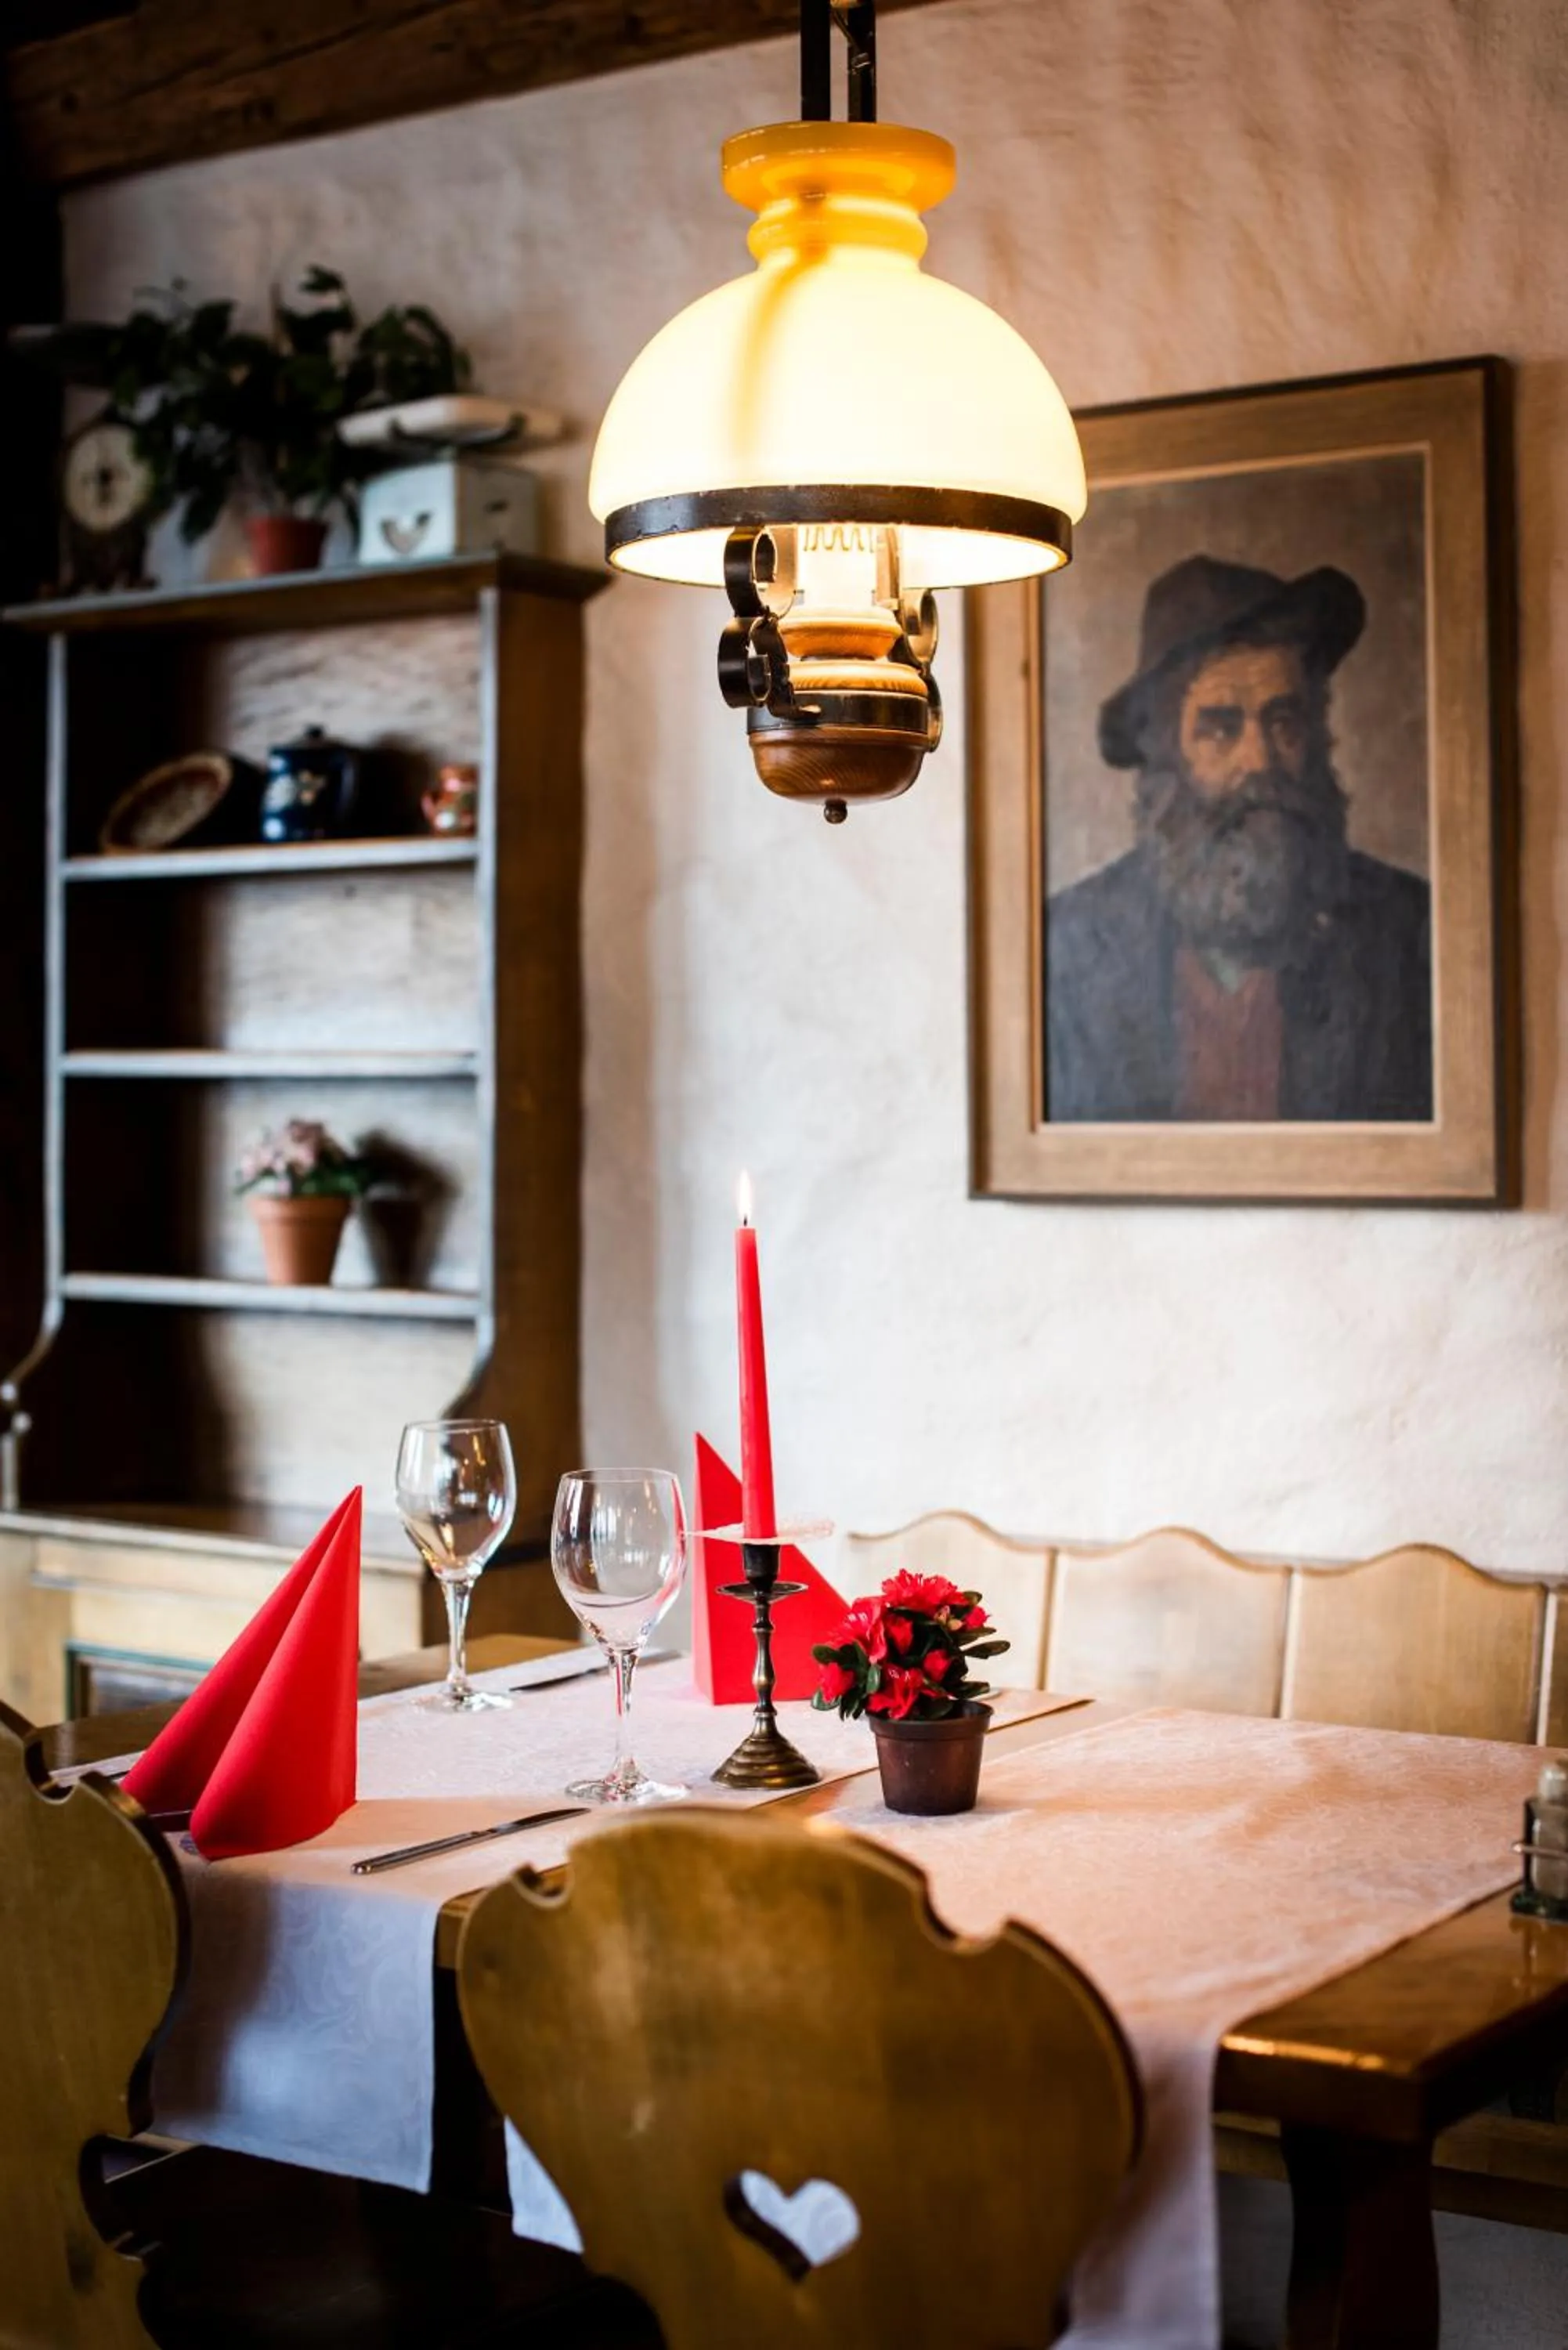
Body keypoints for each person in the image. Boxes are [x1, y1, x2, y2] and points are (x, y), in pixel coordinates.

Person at [1046, 554, 1433, 1123]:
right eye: (1221, 727)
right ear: (1167, 756)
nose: (1261, 761)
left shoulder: (1408, 932)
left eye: (1283, 722)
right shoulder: (1072, 946)